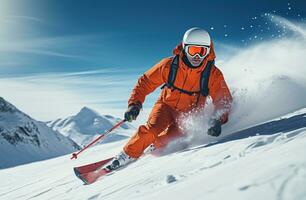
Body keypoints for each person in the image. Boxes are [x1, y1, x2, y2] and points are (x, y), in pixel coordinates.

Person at [105, 27, 233, 170]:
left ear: (208, 52)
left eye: (202, 51)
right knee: (152, 130)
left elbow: (224, 100)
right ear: (184, 48)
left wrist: (218, 120)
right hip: (166, 106)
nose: (197, 56)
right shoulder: (169, 66)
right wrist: (134, 104)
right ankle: (125, 155)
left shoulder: (212, 75)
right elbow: (145, 82)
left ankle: (154, 145)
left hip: (189, 114)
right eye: (193, 50)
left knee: (170, 139)